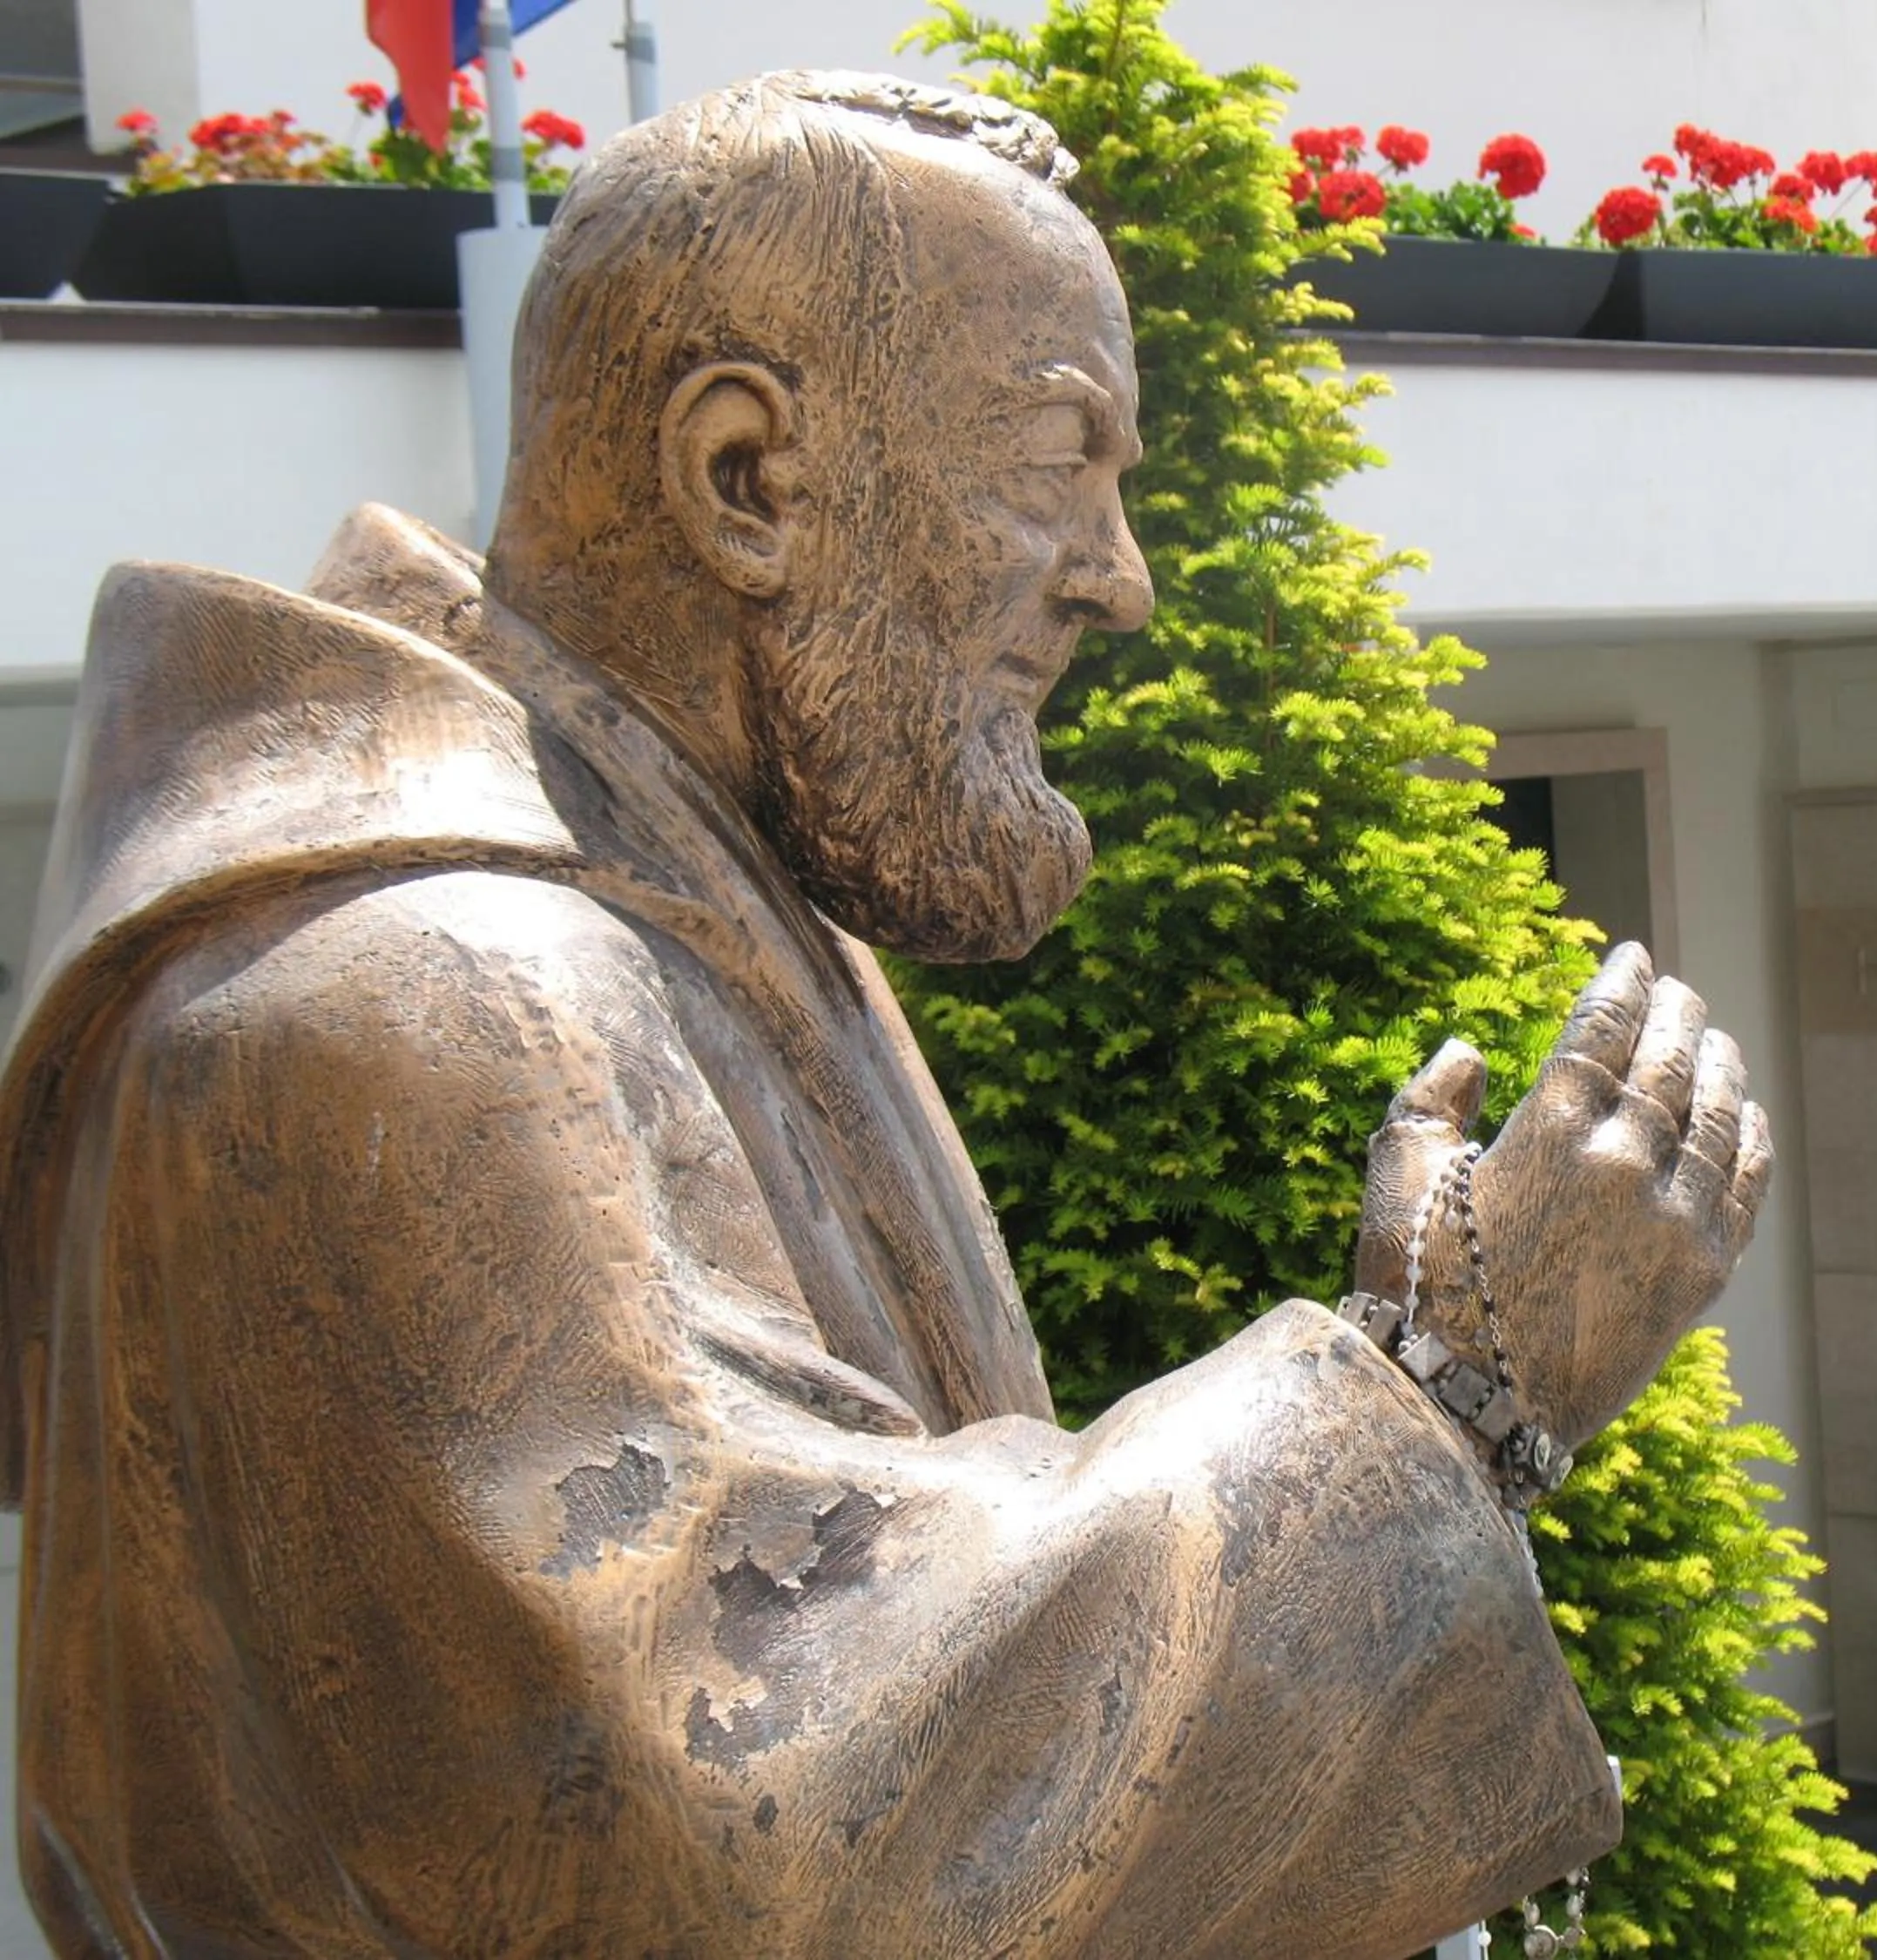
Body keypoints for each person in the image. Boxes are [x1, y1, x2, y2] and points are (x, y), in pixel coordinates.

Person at [0, 73, 1770, 1957]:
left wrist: (1419, 1380)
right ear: (745, 480)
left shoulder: (702, 912)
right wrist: (1445, 1385)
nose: (1119, 581)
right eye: (1054, 461)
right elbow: (759, 1843)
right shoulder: (411, 1000)